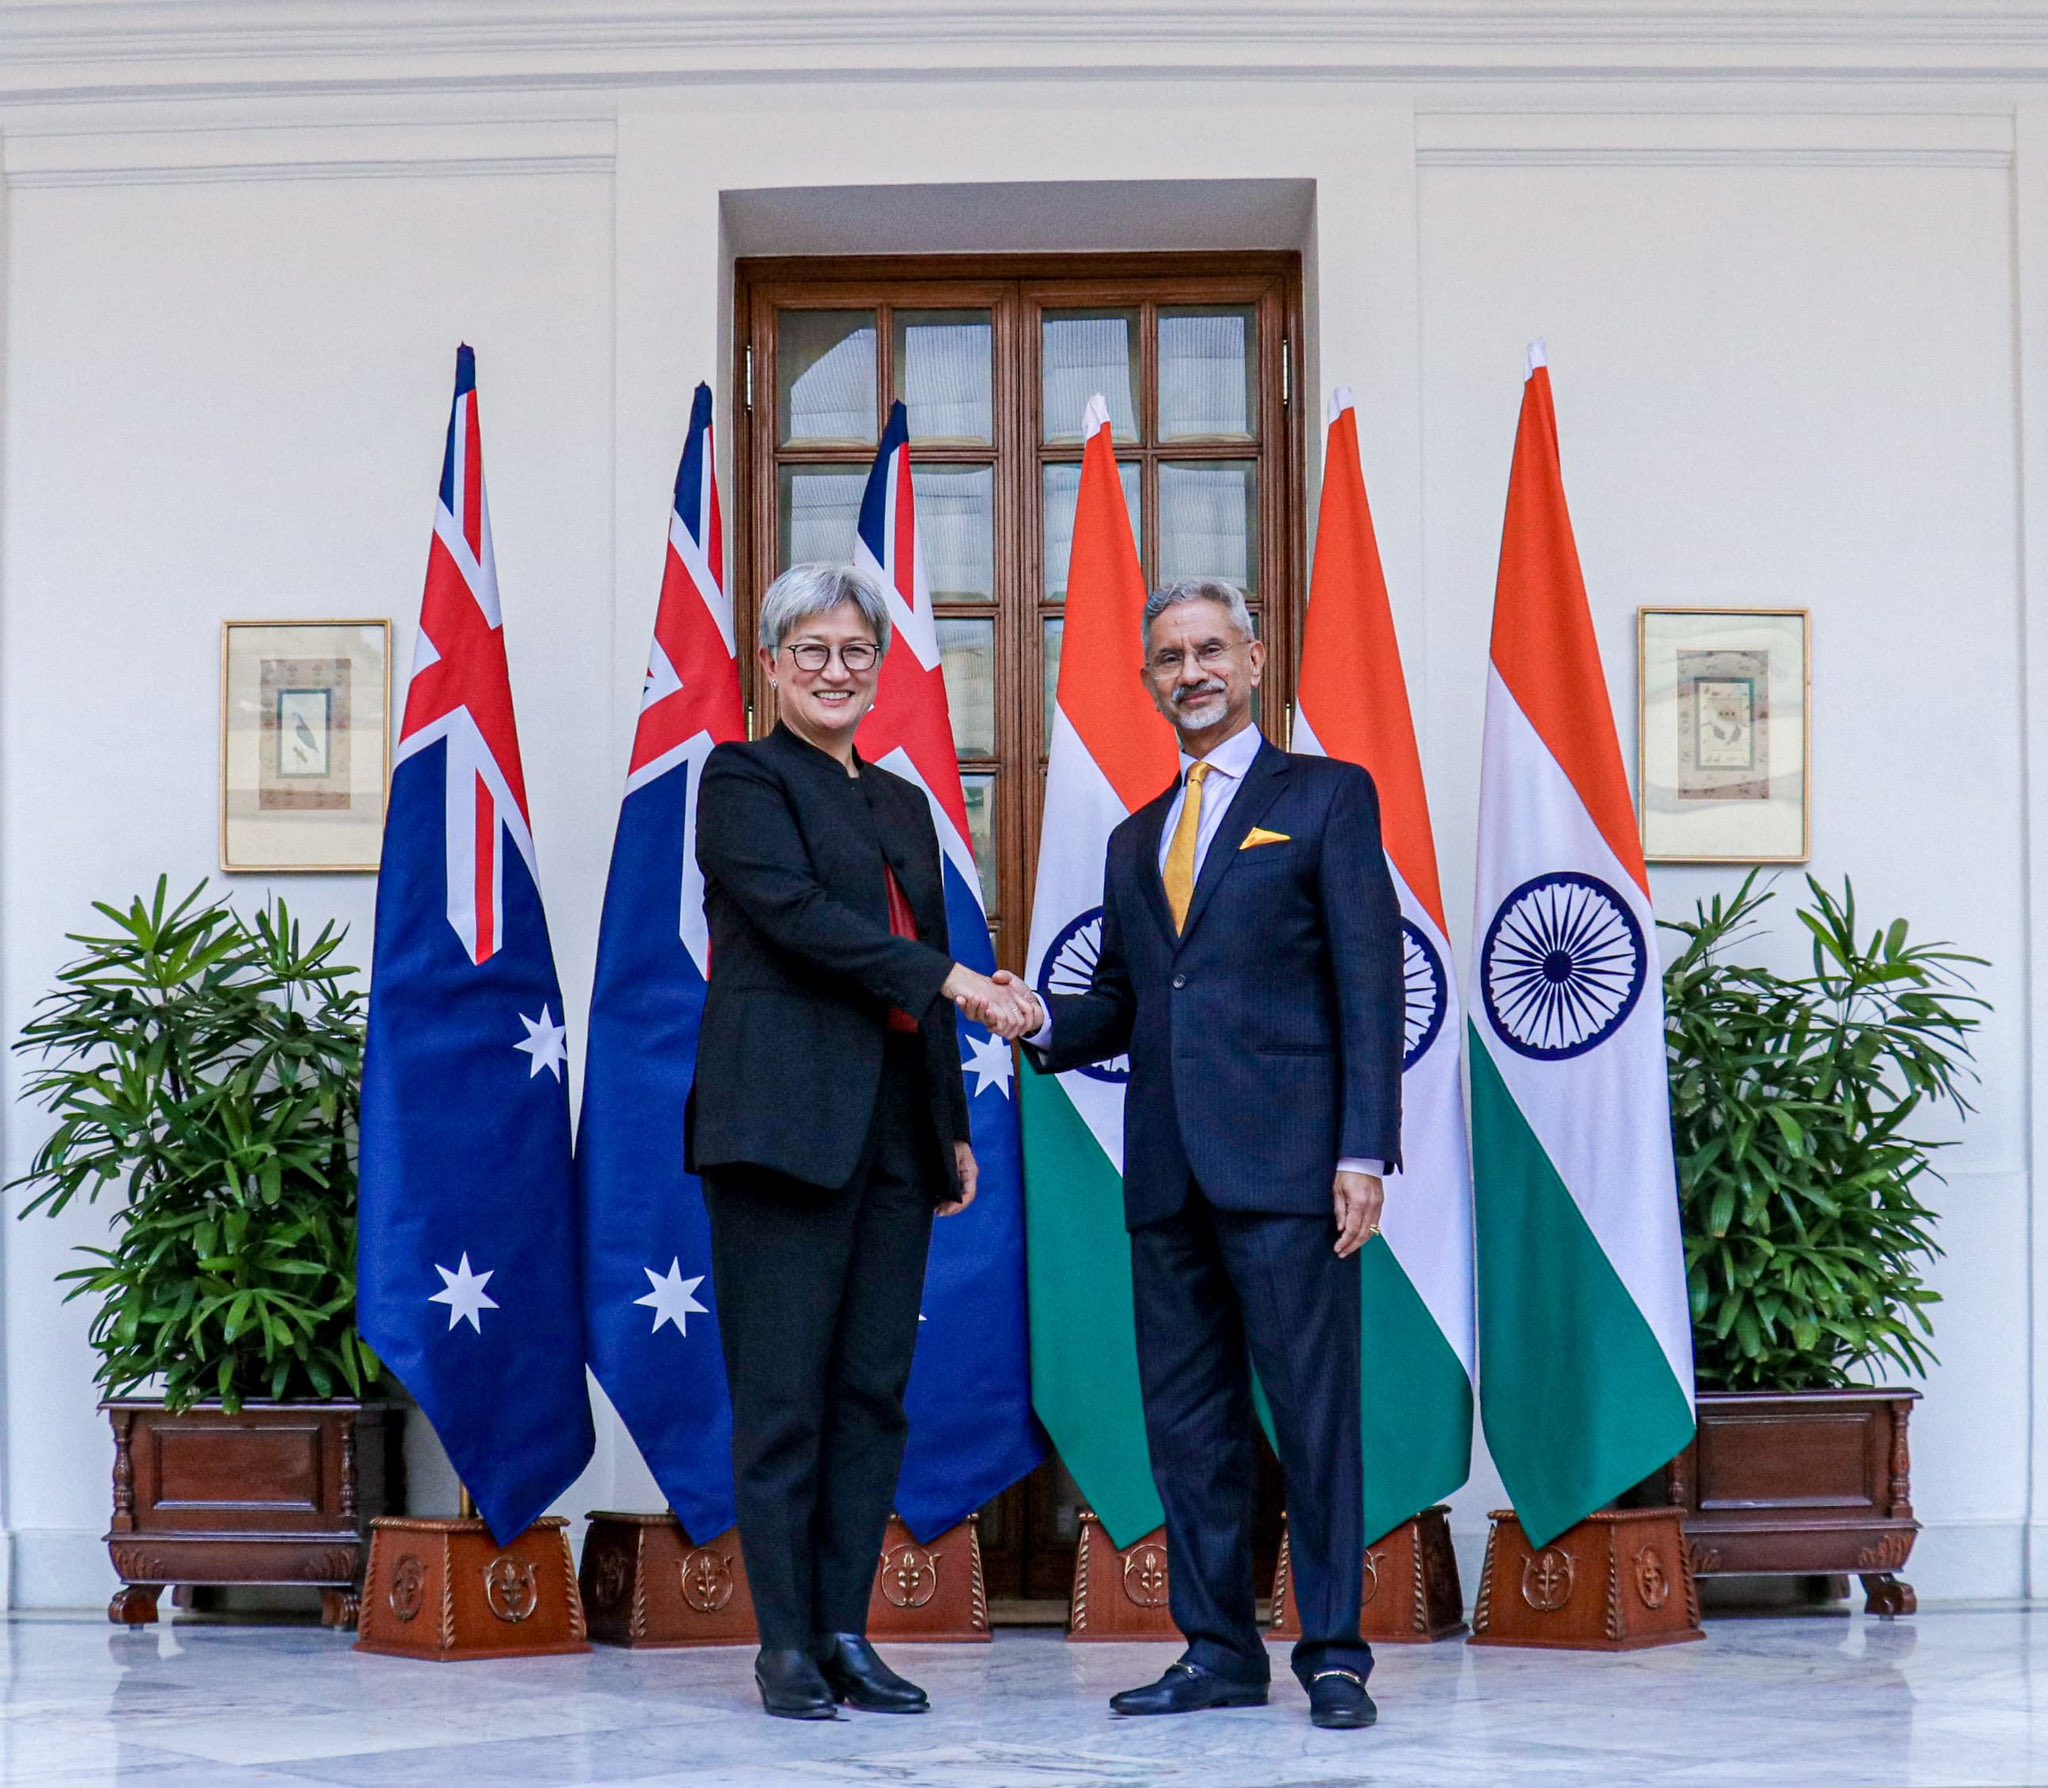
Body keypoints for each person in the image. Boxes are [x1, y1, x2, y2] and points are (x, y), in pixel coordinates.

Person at [980, 577, 1404, 1732]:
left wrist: (1363, 1148)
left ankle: (1332, 1655)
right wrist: (1039, 1021)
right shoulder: (1134, 837)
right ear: (1148, 681)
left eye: (1210, 649)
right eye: (1168, 657)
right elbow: (1127, 997)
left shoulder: (1323, 798)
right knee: (1190, 1428)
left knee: (1311, 1417)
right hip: (1165, 1177)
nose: (1191, 672)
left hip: (1289, 1171)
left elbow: (1369, 982)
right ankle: (1216, 1651)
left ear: (1255, 661)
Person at [689, 563, 1036, 1721]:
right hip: (778, 1129)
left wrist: (949, 1124)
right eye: (813, 650)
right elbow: (801, 923)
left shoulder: (899, 803)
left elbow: (920, 962)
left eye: (855, 653)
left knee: (872, 1396)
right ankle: (782, 1643)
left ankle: (845, 1630)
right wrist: (954, 980)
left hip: (892, 1134)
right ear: (774, 664)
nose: (836, 671)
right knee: (783, 1398)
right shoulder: (738, 780)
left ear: (877, 670)